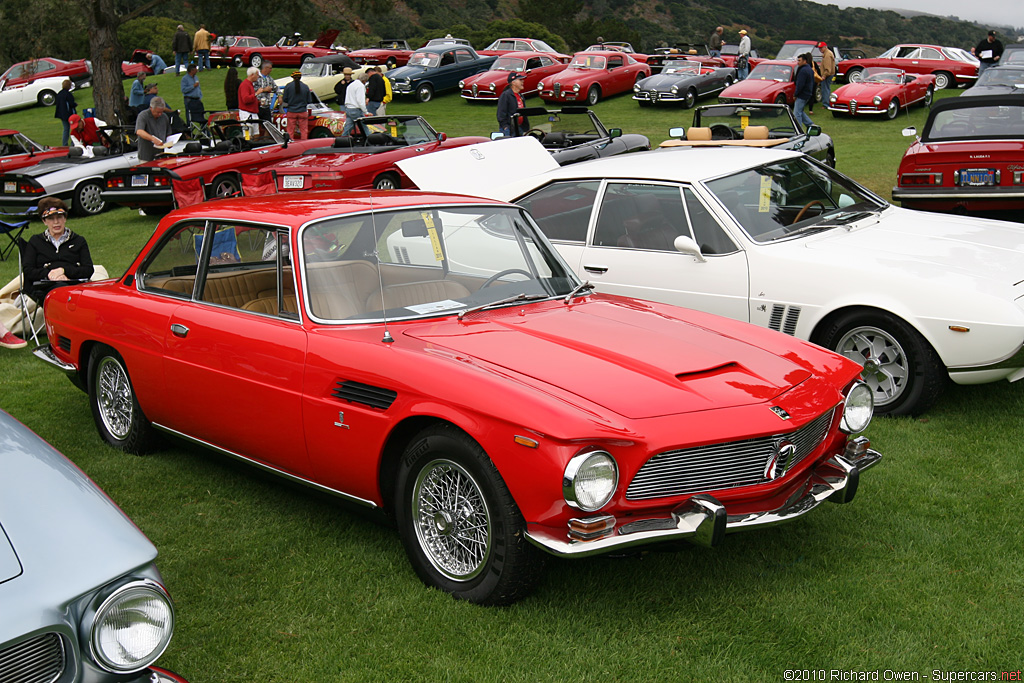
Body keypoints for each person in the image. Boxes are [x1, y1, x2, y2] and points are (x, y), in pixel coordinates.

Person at [22, 198, 93, 307]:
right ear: (44, 221)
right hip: (44, 288)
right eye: (51, 218)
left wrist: (63, 271)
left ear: (65, 218)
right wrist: (49, 274)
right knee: (61, 292)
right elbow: (28, 270)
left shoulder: (78, 241)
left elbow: (88, 269)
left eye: (59, 217)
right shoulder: (35, 241)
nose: (56, 222)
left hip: (73, 285)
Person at [135, 97, 173, 162]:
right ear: (151, 108)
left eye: (161, 112)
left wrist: (169, 143)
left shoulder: (164, 117)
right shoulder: (143, 116)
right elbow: (139, 131)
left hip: (160, 155)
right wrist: (153, 139)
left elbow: (168, 133)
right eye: (157, 112)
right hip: (146, 155)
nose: (160, 114)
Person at [497, 72, 528, 137]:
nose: (523, 81)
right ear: (513, 82)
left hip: (520, 128)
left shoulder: (521, 96)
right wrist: (505, 127)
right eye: (520, 80)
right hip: (509, 129)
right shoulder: (506, 95)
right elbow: (501, 113)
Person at [281, 71, 311, 140]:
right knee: (304, 130)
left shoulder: (288, 86)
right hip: (302, 111)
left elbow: (285, 99)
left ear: (293, 78)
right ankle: (304, 143)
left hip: (291, 111)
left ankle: (290, 143)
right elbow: (309, 100)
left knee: (290, 130)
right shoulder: (305, 87)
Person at [341, 72, 368, 137]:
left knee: (348, 126)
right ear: (364, 80)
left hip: (348, 108)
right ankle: (370, 139)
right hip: (355, 109)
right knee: (364, 126)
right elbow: (360, 101)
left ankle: (342, 139)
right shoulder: (360, 86)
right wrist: (365, 111)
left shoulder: (351, 85)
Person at [793, 53, 815, 129]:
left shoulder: (803, 71)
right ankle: (811, 125)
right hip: (808, 94)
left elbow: (800, 84)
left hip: (802, 94)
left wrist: (796, 94)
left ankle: (799, 129)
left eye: (799, 60)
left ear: (805, 61)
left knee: (797, 113)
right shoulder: (809, 69)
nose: (798, 62)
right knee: (800, 111)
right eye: (797, 60)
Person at [238, 67, 261, 134]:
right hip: (247, 113)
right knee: (248, 134)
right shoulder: (245, 85)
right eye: (257, 75)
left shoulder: (250, 84)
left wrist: (258, 103)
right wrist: (256, 93)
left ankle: (256, 144)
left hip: (253, 112)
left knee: (256, 133)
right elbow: (245, 99)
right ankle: (248, 144)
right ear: (252, 75)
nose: (258, 76)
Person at [54, 79, 76, 146]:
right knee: (73, 129)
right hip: (69, 114)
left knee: (66, 129)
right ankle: (73, 143)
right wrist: (75, 104)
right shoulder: (68, 94)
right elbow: (71, 104)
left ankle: (64, 144)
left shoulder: (59, 94)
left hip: (62, 114)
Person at [818, 41, 835, 111]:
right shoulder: (827, 53)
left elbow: (828, 68)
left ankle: (826, 104)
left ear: (825, 47)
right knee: (827, 88)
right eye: (819, 48)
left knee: (825, 89)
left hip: (827, 75)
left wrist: (824, 75)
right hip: (829, 74)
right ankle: (828, 102)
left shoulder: (827, 55)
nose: (820, 50)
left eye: (821, 48)